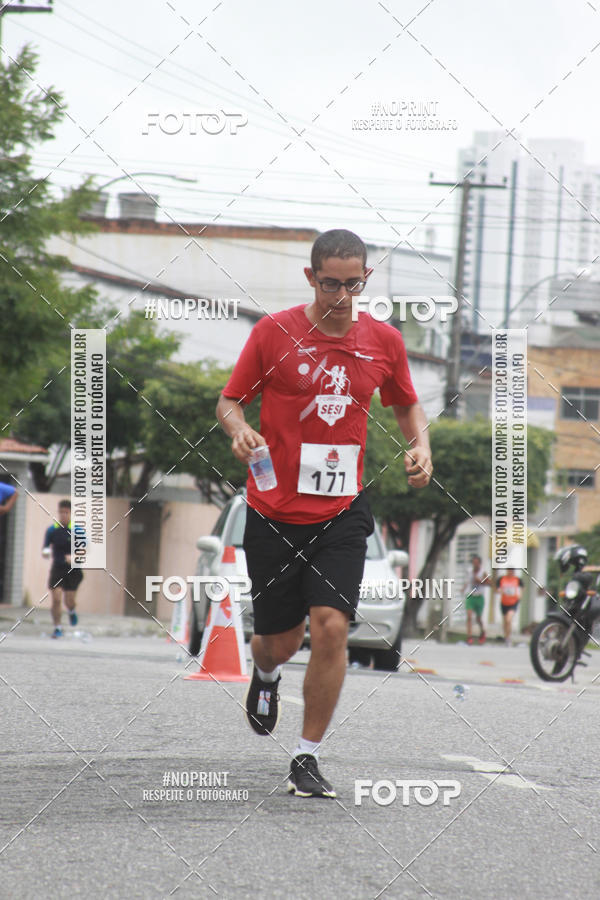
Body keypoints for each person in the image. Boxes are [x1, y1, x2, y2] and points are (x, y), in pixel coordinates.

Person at [216, 228, 432, 799]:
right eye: (331, 282)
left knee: (333, 626)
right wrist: (239, 428)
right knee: (279, 643)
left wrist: (421, 445)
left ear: (365, 279)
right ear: (311, 278)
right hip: (273, 509)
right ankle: (264, 674)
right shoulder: (275, 333)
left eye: (353, 283)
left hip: (341, 509)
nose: (341, 293)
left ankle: (306, 755)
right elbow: (230, 398)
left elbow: (406, 402)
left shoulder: (383, 341)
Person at [42, 499, 83, 638]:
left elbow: (84, 550)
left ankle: (71, 611)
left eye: (66, 512)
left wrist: (74, 556)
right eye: (61, 512)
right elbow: (46, 548)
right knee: (57, 599)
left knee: (69, 601)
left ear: (71, 513)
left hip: (73, 570)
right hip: (57, 568)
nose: (63, 515)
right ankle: (57, 628)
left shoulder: (77, 530)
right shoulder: (52, 530)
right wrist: (45, 553)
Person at [465, 555, 489, 645]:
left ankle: (482, 632)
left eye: (476, 563)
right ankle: (469, 637)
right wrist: (463, 588)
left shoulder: (483, 573)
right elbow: (468, 582)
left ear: (479, 564)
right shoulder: (469, 572)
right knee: (469, 616)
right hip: (470, 596)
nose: (475, 565)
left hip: (479, 597)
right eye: (473, 563)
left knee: (478, 618)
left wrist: (479, 581)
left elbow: (488, 583)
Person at [497, 568, 523, 646]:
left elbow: (522, 588)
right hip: (504, 602)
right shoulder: (502, 579)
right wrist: (500, 591)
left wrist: (520, 595)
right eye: (509, 571)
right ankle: (506, 636)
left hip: (513, 602)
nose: (510, 572)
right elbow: (497, 588)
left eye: (512, 571)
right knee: (505, 621)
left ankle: (508, 638)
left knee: (509, 619)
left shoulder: (517, 580)